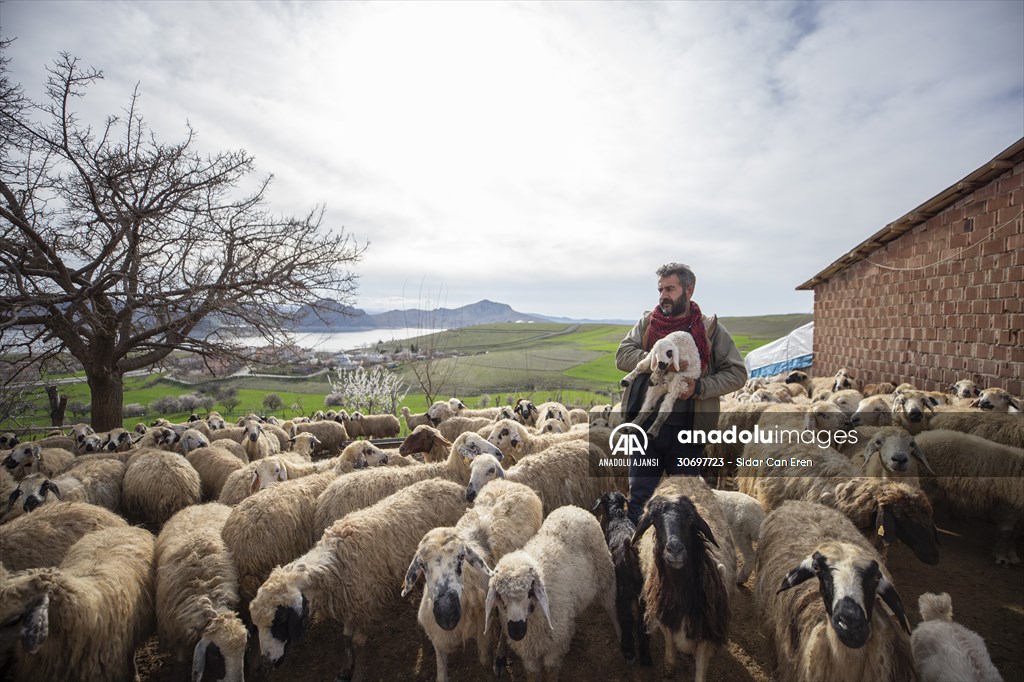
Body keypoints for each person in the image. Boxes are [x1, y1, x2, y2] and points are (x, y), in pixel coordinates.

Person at [615, 262, 747, 523]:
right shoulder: (649, 324)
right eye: (660, 289)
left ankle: (680, 560)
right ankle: (633, 558)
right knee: (640, 497)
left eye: (670, 289)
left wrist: (698, 387)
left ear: (689, 290)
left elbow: (737, 374)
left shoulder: (710, 331)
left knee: (685, 501)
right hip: (646, 430)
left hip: (687, 431)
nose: (663, 295)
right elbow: (622, 355)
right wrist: (657, 359)